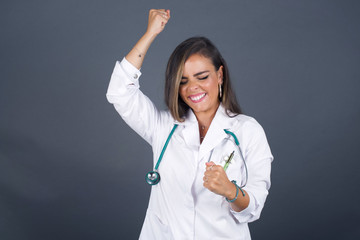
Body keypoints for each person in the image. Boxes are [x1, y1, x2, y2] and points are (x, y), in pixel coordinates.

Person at [106, 9, 273, 240]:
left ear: (220, 75)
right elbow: (119, 92)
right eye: (183, 81)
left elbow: (254, 207)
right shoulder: (163, 126)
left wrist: (230, 191)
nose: (192, 88)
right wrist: (150, 33)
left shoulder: (248, 131)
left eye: (202, 77)